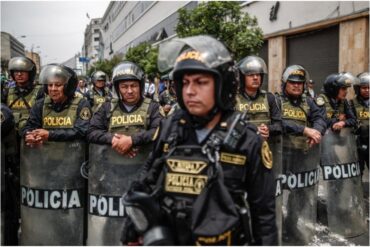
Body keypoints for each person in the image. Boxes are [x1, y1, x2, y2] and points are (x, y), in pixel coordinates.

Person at [121, 35, 277, 246]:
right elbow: (146, 179)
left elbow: (264, 215)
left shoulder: (248, 140)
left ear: (224, 85)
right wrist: (133, 226)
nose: (190, 91)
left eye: (201, 82)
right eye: (185, 83)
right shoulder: (171, 127)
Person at [86, 61, 162, 245]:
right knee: (110, 223)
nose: (129, 91)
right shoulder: (107, 107)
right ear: (118, 88)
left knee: (141, 223)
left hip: (143, 176)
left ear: (141, 86)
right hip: (112, 173)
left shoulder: (152, 107)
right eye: (124, 86)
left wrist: (132, 140)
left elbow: (160, 130)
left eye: (133, 86)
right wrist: (113, 140)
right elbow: (90, 131)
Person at [20, 64, 91, 245]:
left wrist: (49, 134)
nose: (53, 89)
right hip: (46, 168)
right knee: (49, 213)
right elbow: (28, 127)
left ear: (67, 86)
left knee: (71, 212)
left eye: (58, 85)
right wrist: (30, 136)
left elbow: (81, 131)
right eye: (50, 85)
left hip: (73, 170)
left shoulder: (81, 103)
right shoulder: (39, 105)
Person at [276, 65, 326, 244]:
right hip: (281, 157)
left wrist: (317, 131)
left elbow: (320, 117)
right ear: (284, 84)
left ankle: (292, 224)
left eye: (300, 83)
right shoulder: (276, 101)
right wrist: (304, 129)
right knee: (277, 192)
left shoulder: (309, 101)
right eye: (293, 83)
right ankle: (277, 226)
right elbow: (277, 123)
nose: (297, 86)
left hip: (302, 156)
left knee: (301, 194)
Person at [3, 56, 44, 245]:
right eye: (15, 71)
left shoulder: (40, 92)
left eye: (22, 71)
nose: (19, 74)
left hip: (34, 152)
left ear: (31, 73)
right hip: (11, 153)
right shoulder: (7, 91)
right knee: (10, 201)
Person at [236, 55, 282, 140]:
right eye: (251, 75)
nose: (255, 78)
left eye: (258, 74)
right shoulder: (233, 99)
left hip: (264, 150)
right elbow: (227, 125)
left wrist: (268, 129)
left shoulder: (269, 98)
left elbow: (279, 125)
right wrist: (254, 130)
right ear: (242, 78)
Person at [351, 72, 369, 175]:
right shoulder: (351, 103)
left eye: (369, 87)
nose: (367, 90)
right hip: (358, 143)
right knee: (358, 171)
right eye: (364, 88)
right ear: (358, 89)